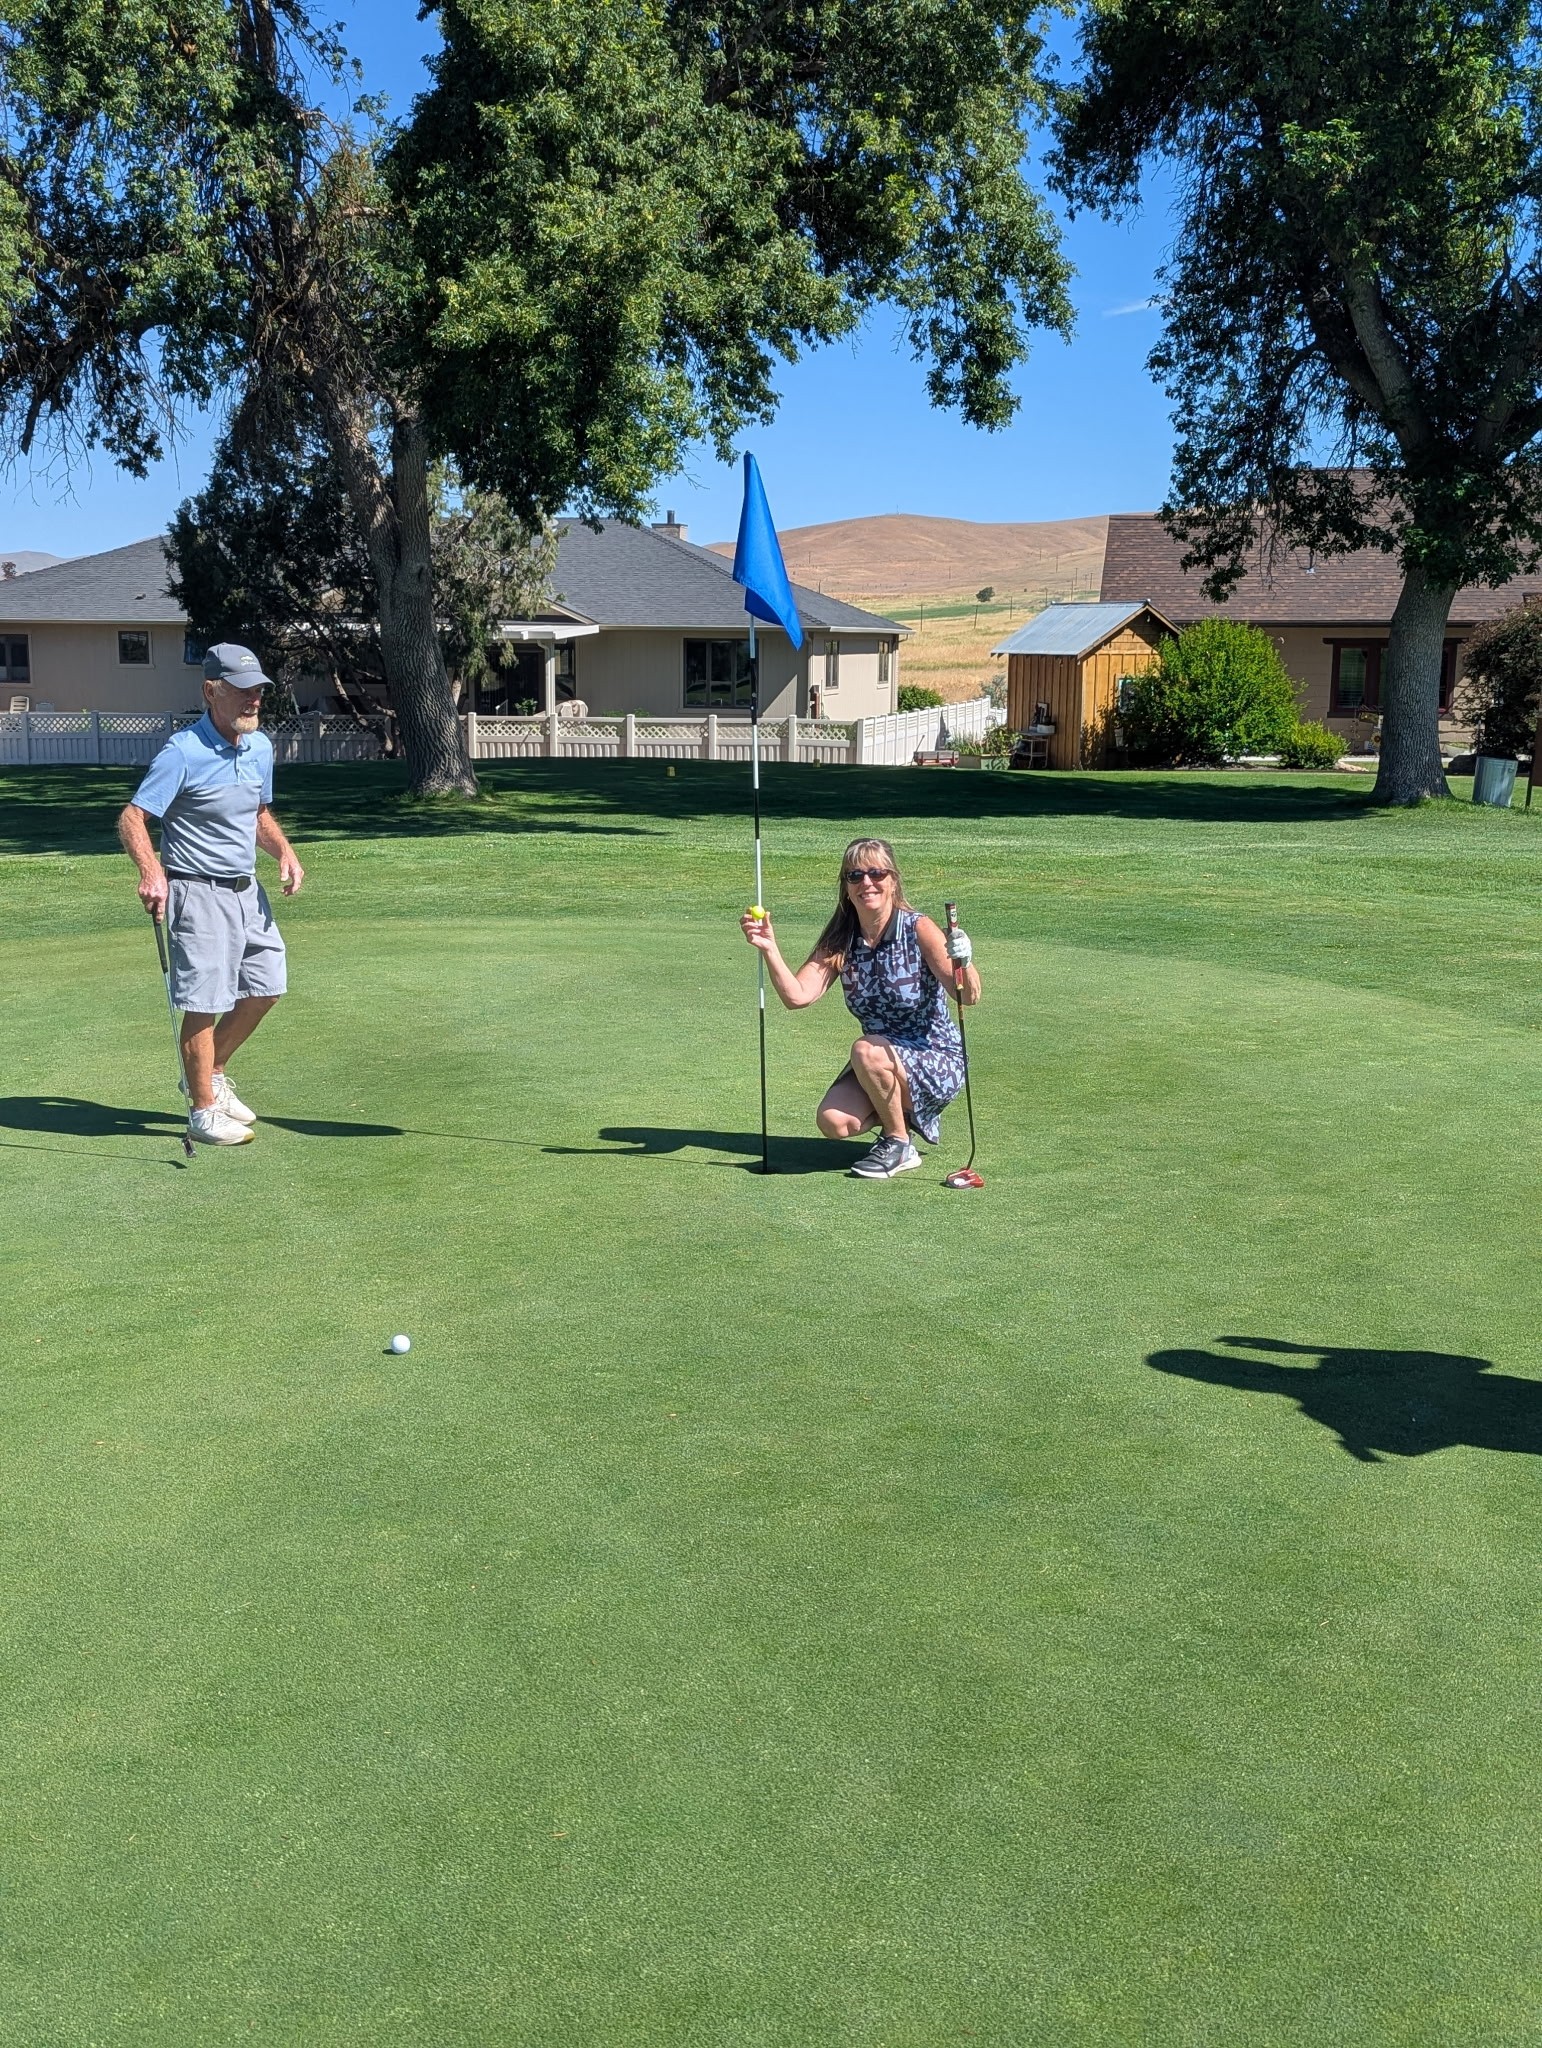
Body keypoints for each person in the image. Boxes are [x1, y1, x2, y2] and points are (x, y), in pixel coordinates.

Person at [117, 643, 305, 1146]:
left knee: (266, 986)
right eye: (242, 691)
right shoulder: (182, 752)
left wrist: (284, 852)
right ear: (210, 691)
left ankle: (210, 1072)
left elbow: (258, 814)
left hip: (248, 892)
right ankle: (202, 1111)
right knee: (204, 1003)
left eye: (258, 690)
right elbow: (134, 817)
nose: (253, 699)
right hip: (197, 893)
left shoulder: (258, 747)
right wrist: (151, 871)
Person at [740, 836, 980, 1178]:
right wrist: (769, 948)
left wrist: (964, 961)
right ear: (846, 887)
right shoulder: (842, 938)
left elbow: (968, 996)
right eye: (855, 876)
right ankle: (901, 1125)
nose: (866, 882)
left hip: (936, 1057)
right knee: (834, 1121)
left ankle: (898, 1143)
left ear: (893, 881)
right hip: (880, 1060)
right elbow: (797, 997)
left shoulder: (918, 928)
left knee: (865, 1049)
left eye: (876, 873)